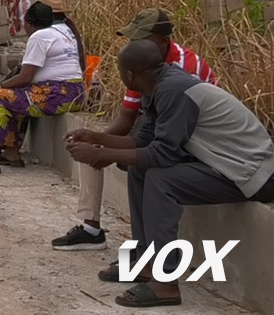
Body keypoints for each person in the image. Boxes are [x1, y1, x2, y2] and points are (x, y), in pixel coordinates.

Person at [66, 40, 274, 308]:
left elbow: (161, 155)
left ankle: (165, 283)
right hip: (227, 166)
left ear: (129, 75)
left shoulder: (175, 90)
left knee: (161, 179)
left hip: (254, 174)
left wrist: (102, 155)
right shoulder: (157, 87)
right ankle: (145, 262)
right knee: (142, 170)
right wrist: (97, 139)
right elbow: (144, 141)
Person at [51, 9, 217, 251]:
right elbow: (127, 117)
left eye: (140, 38)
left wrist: (106, 153)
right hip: (161, 124)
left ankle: (155, 264)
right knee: (104, 151)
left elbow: (167, 141)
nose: (132, 43)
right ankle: (93, 230)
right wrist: (98, 141)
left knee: (151, 172)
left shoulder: (182, 68)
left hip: (193, 134)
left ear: (162, 41)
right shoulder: (141, 64)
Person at [0, 0, 86, 175]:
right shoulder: (63, 31)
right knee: (17, 98)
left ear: (29, 23)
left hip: (59, 94)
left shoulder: (39, 37)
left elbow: (26, 77)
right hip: (75, 92)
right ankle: (12, 152)